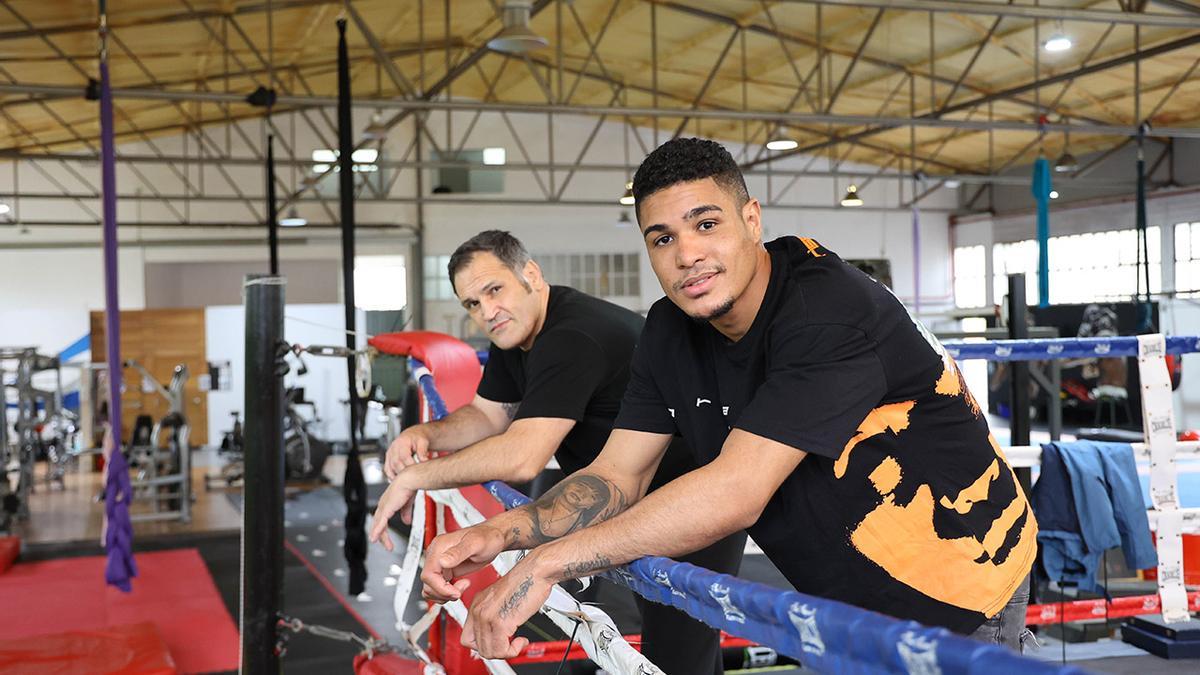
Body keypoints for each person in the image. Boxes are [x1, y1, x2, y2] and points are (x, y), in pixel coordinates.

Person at [419, 138, 1039, 660]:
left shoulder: (828, 310)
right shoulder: (668, 330)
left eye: (706, 224)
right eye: (661, 239)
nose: (687, 255)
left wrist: (548, 563)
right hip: (846, 607)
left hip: (960, 584)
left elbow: (736, 491)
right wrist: (498, 536)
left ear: (752, 220)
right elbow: (616, 474)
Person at [370, 230, 744, 674]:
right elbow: (488, 416)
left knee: (678, 651)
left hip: (691, 498)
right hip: (626, 497)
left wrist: (415, 476)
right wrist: (427, 435)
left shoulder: (572, 336)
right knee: (669, 646)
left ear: (530, 274)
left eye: (494, 290)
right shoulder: (518, 331)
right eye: (472, 304)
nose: (487, 311)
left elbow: (522, 456)